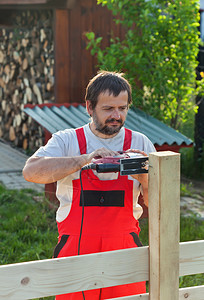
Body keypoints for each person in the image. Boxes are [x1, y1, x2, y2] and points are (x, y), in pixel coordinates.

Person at [23, 71, 156, 300]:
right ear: (89, 107)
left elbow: (160, 203)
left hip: (124, 246)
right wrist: (84, 160)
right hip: (75, 247)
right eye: (108, 109)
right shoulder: (67, 140)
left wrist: (144, 178)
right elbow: (31, 172)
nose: (117, 115)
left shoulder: (140, 143)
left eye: (122, 108)